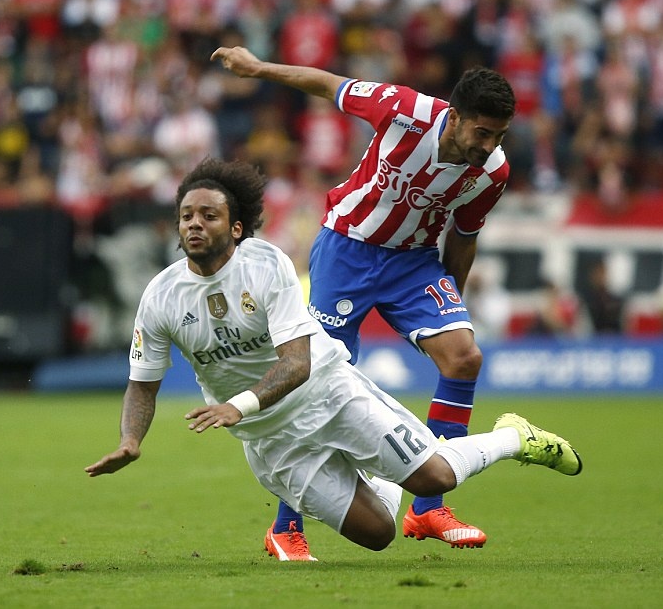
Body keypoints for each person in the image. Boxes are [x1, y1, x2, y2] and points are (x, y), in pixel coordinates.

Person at [84, 158, 582, 562]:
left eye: (208, 215)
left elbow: (296, 363)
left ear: (236, 228)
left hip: (328, 393)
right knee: (379, 534)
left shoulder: (266, 264)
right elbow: (142, 384)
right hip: (272, 441)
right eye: (187, 215)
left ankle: (514, 437)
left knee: (435, 478)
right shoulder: (161, 296)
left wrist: (237, 405)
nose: (195, 223)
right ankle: (373, 469)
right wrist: (130, 440)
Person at [210, 45, 517, 555]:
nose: (489, 146)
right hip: (347, 249)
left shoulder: (493, 173)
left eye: (499, 136)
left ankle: (428, 507)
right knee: (313, 378)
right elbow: (327, 83)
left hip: (414, 263)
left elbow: (465, 235)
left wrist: (452, 305)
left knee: (464, 356)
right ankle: (286, 527)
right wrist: (258, 68)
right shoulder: (404, 110)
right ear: (455, 117)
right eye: (482, 133)